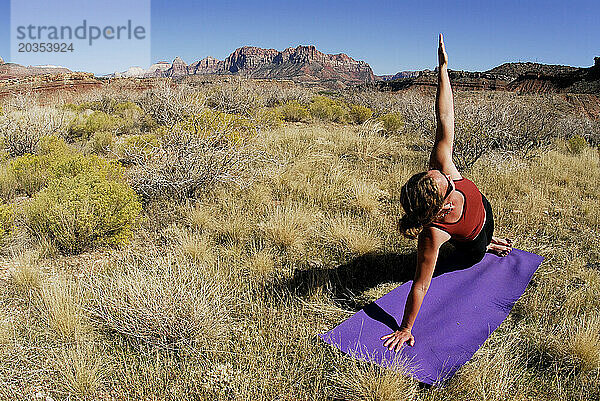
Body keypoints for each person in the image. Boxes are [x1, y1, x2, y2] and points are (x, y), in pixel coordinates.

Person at [380, 34, 513, 353]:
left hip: (486, 213)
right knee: (475, 249)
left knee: (484, 221)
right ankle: (488, 242)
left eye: (435, 173)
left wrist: (442, 68)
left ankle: (491, 236)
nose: (443, 172)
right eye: (444, 182)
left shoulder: (441, 168)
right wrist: (406, 328)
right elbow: (421, 284)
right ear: (438, 208)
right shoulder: (433, 234)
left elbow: (445, 118)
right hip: (472, 246)